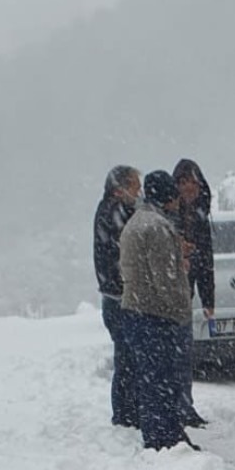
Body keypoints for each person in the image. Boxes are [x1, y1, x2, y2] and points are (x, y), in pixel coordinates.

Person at [119, 170, 200, 451]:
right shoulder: (157, 227)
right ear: (168, 197)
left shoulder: (137, 221)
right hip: (154, 315)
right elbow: (164, 279)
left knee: (150, 380)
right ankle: (165, 440)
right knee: (161, 381)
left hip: (137, 311)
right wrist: (181, 310)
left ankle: (161, 436)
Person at [93, 165, 141, 428]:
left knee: (126, 357)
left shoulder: (110, 211)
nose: (139, 192)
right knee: (127, 358)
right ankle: (125, 414)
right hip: (119, 298)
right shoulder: (114, 214)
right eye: (135, 186)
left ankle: (127, 412)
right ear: (120, 188)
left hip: (115, 297)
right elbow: (125, 252)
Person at [171, 158, 214, 428]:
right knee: (173, 355)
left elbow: (206, 261)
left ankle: (185, 407)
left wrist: (209, 299)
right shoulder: (169, 215)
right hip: (167, 295)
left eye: (193, 182)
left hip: (184, 295)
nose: (189, 188)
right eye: (183, 182)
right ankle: (176, 408)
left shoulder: (200, 216)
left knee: (184, 354)